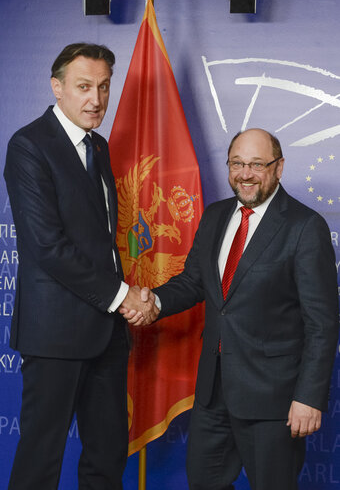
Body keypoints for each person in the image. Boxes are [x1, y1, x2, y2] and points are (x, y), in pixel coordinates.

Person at [121, 128, 339, 490]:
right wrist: (154, 302)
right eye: (237, 163)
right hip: (213, 393)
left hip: (275, 401)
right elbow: (193, 282)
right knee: (203, 482)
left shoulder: (305, 227)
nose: (245, 173)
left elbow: (322, 324)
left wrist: (308, 398)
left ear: (279, 167)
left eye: (257, 164)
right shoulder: (216, 215)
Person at [4, 42, 156, 490]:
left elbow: (102, 244)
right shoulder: (29, 145)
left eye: (104, 87)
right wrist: (122, 296)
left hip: (107, 333)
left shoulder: (100, 146)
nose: (96, 99)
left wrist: (123, 300)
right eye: (84, 86)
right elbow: (48, 247)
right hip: (54, 335)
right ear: (58, 88)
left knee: (107, 456)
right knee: (40, 461)